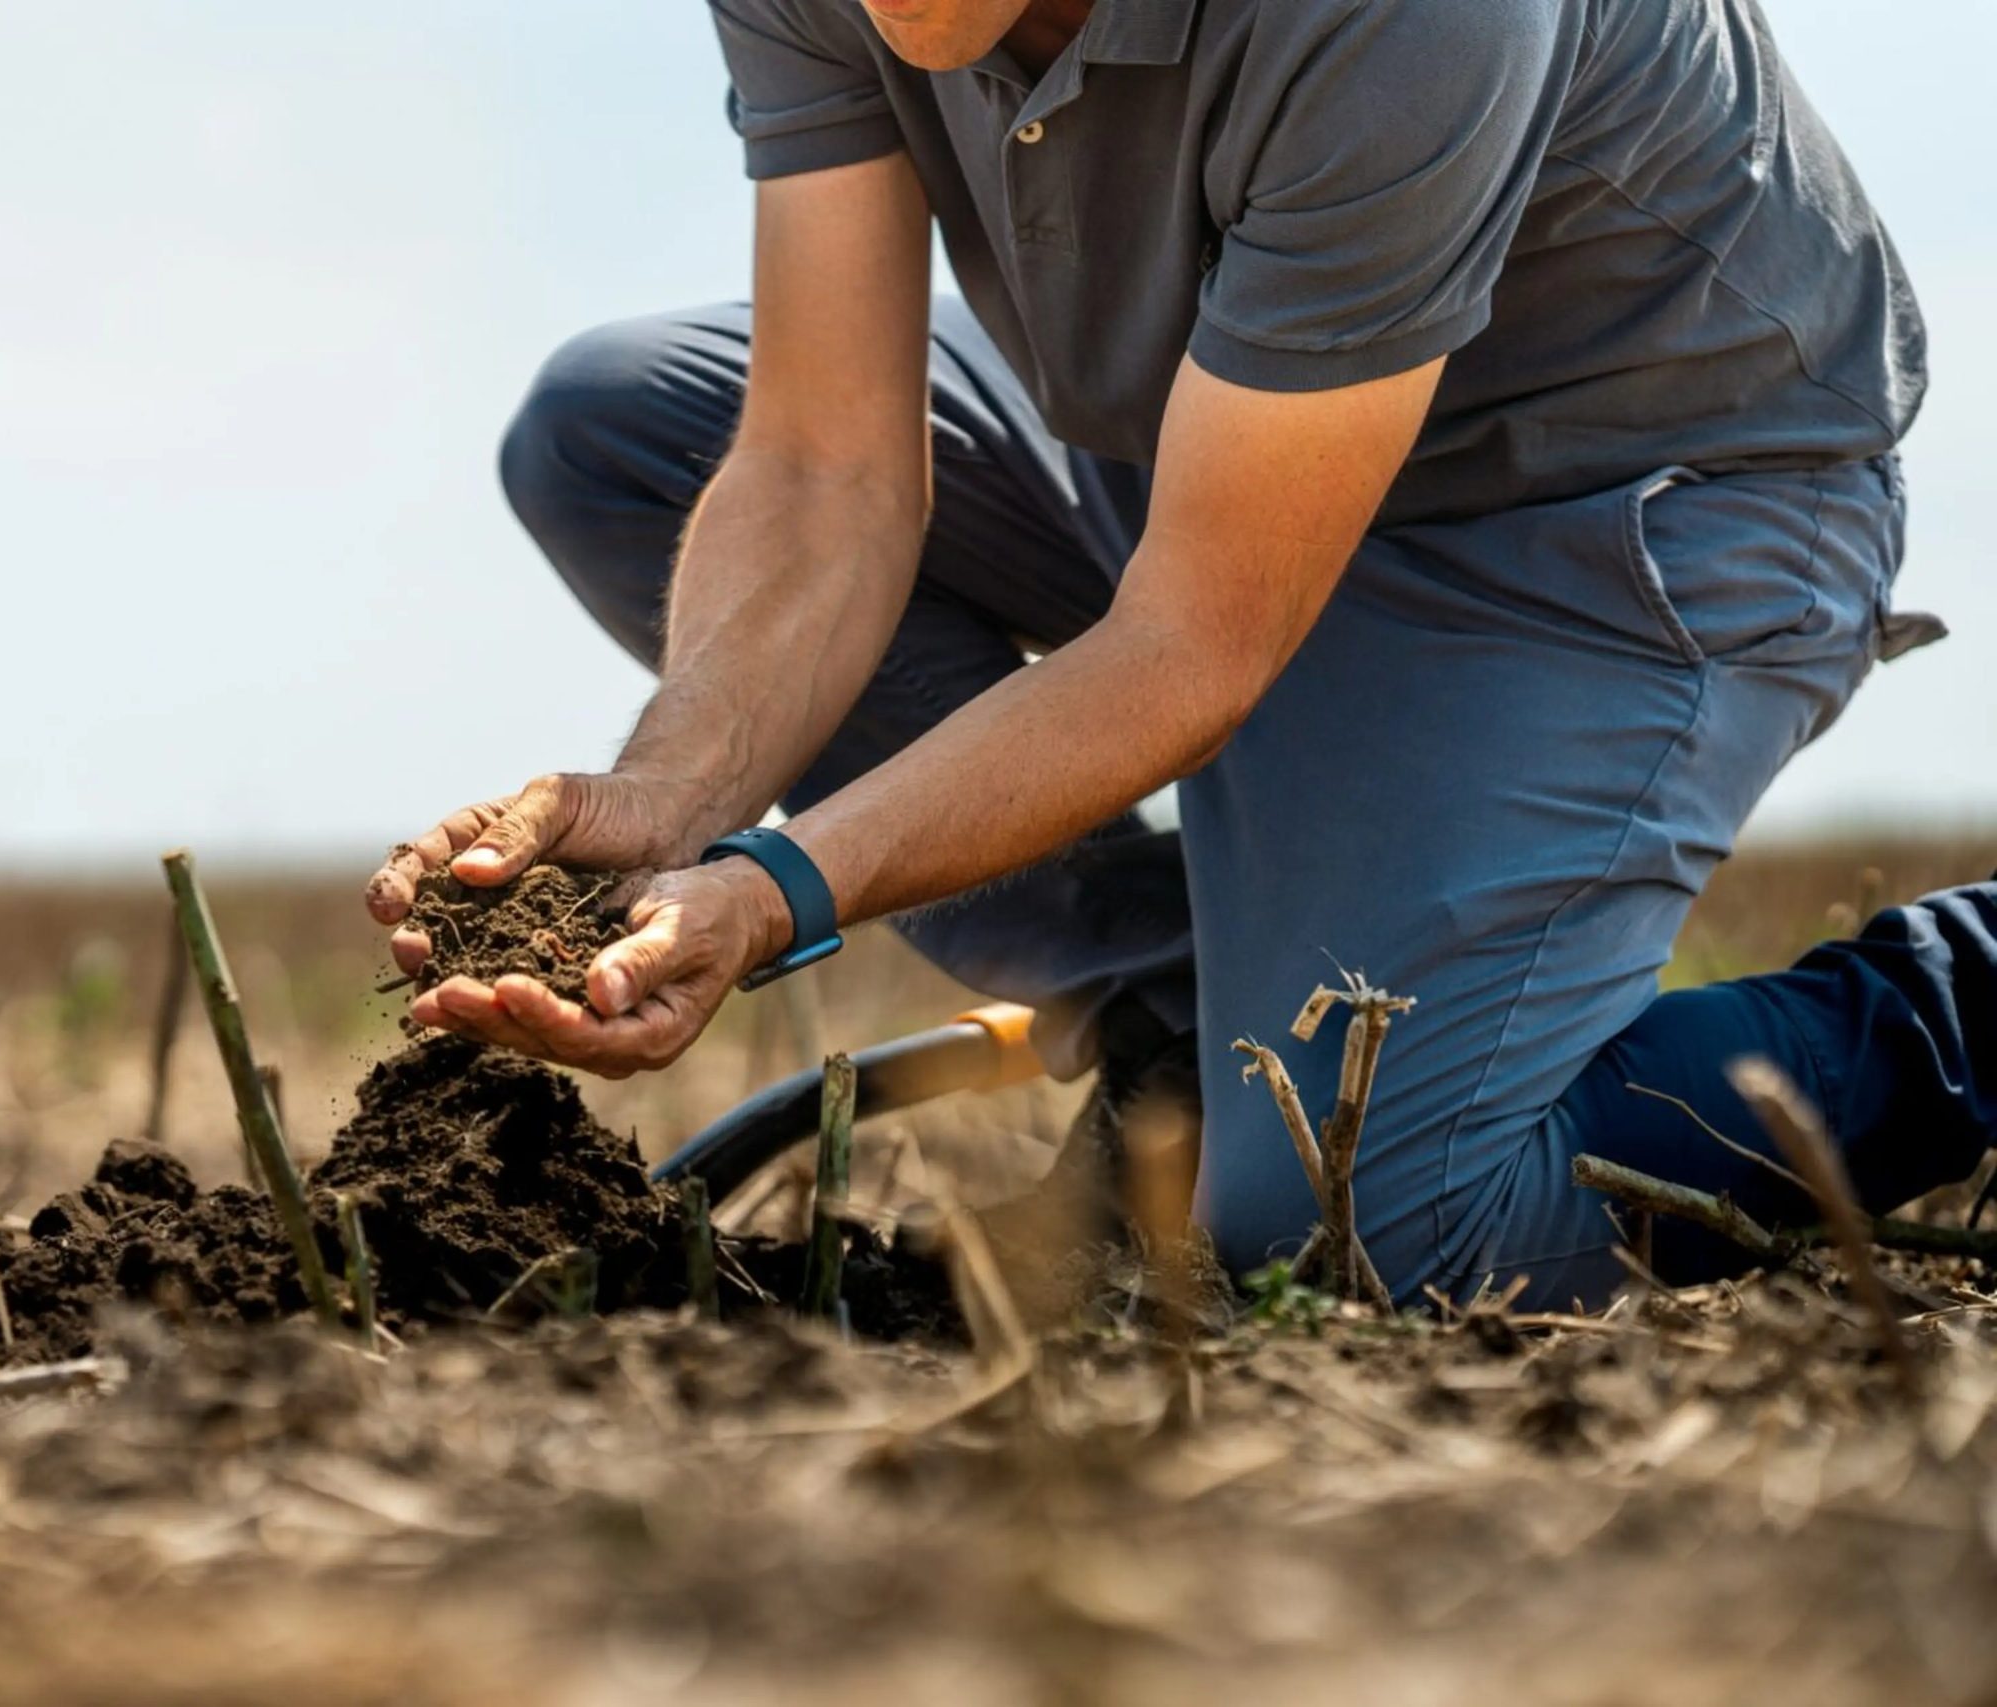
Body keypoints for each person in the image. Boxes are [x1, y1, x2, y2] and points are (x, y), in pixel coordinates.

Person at [366, 0, 1996, 1308]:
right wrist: (667, 793)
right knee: (617, 434)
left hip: (1605, 509)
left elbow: (1196, 639)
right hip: (1199, 431)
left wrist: (776, 892)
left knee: (1376, 1228)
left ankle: (1973, 1001)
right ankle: (1188, 1035)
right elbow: (825, 471)